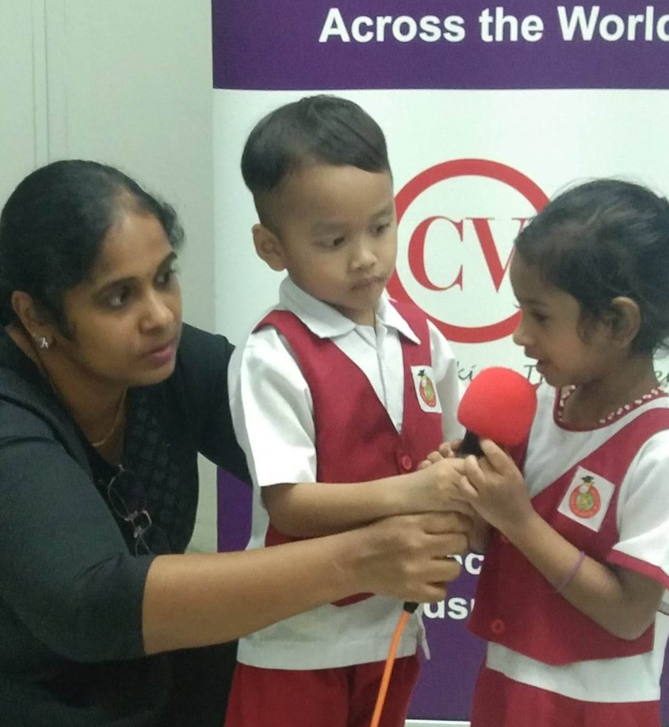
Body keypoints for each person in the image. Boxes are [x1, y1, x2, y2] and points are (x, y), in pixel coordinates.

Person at [0, 159, 472, 727]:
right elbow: (92, 603)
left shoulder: (169, 360)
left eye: (164, 277)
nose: (161, 316)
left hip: (164, 683)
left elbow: (331, 457)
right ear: (35, 314)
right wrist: (359, 561)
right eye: (119, 298)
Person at [226, 95, 469, 727]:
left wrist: (455, 476)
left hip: (393, 633)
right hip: (297, 640)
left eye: (381, 227)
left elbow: (448, 453)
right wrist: (418, 489)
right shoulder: (273, 354)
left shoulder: (423, 336)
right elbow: (290, 503)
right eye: (334, 240)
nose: (365, 257)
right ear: (271, 246)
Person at [454, 179, 669, 726]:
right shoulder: (539, 408)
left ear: (618, 323)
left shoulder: (659, 450)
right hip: (504, 682)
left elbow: (628, 614)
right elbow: (491, 540)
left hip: (597, 707)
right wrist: (469, 495)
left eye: (541, 316)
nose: (521, 335)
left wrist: (518, 519)